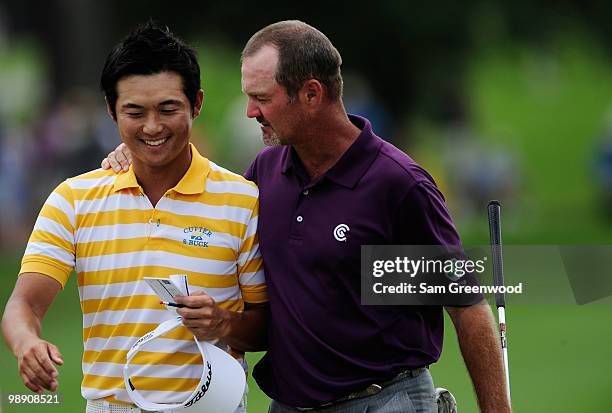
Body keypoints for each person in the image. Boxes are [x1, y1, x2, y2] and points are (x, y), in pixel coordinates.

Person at [103, 20, 511, 413]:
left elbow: (465, 308)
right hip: (290, 405)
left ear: (312, 94)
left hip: (387, 401)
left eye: (262, 98)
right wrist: (139, 158)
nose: (250, 112)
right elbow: (205, 202)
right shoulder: (266, 172)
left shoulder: (396, 185)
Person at [1, 22, 268, 413]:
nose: (153, 127)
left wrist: (223, 323)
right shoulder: (73, 199)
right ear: (111, 110)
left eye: (168, 109)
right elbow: (23, 305)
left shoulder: (242, 201)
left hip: (214, 406)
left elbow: (268, 324)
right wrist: (27, 344)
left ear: (196, 104)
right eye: (134, 112)